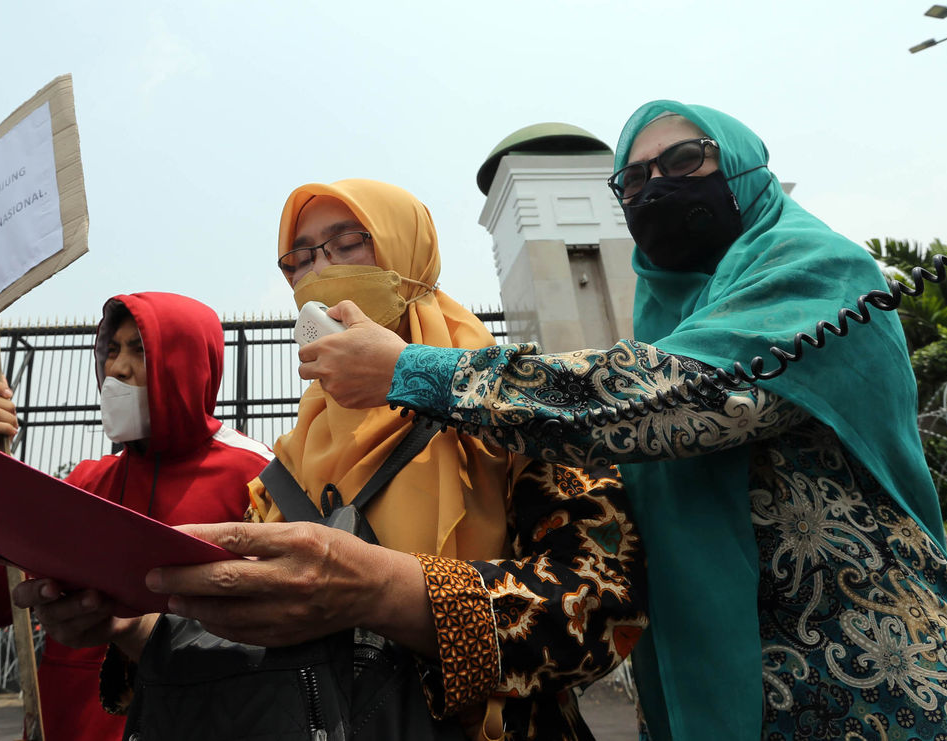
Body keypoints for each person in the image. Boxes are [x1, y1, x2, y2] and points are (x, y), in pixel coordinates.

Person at [298, 106, 947, 740]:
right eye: (633, 179)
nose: (656, 187)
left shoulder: (820, 275)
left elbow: (656, 414)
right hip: (701, 703)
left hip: (872, 688)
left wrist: (418, 378)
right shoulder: (286, 458)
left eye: (684, 158)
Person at [116, 179, 647, 740]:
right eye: (299, 257)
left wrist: (384, 591)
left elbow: (603, 606)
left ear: (407, 254)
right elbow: (255, 646)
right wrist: (131, 629)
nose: (319, 272)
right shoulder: (283, 467)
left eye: (348, 244)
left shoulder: (509, 413)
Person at [0, 292, 273, 741]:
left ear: (187, 362)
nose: (117, 368)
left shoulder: (255, 475)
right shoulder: (85, 483)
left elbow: (276, 632)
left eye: (140, 350)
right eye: (111, 351)